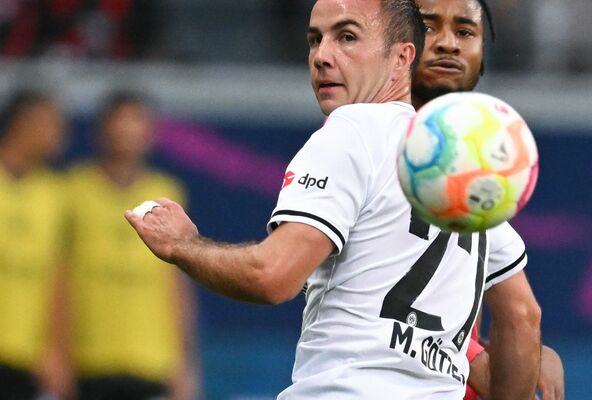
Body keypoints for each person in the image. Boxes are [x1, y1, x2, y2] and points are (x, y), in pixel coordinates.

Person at [125, 0, 541, 398]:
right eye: (314, 39)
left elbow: (272, 275)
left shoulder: (352, 130)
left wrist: (182, 244)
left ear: (401, 58)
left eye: (346, 37)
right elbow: (522, 316)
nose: (321, 55)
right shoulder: (466, 174)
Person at [411, 0, 564, 399]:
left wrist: (512, 353)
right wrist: (476, 358)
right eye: (429, 28)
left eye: (465, 32)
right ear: (395, 43)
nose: (449, 44)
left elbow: (521, 316)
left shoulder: (465, 165)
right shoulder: (369, 142)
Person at [62, 91, 199, 400]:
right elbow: (59, 278)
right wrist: (57, 354)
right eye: (118, 120)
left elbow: (176, 283)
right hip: (89, 360)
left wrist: (184, 363)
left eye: (135, 121)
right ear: (101, 130)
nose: (126, 131)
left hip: (152, 361)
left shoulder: (166, 192)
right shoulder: (72, 189)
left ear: (150, 133)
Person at [0, 89, 69, 399]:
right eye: (53, 124)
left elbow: (57, 279)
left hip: (26, 357)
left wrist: (55, 349)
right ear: (25, 123)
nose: (60, 135)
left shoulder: (55, 194)